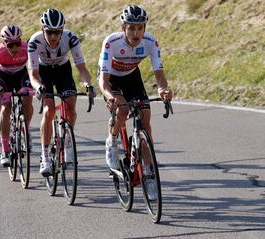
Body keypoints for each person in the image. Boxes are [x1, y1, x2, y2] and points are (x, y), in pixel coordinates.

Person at [98, 5, 173, 170]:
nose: (136, 33)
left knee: (145, 115)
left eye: (140, 28)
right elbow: (103, 82)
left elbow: (160, 76)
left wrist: (163, 90)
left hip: (132, 76)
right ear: (123, 28)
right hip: (112, 78)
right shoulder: (112, 42)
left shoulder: (151, 42)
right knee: (122, 111)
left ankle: (148, 169)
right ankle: (112, 141)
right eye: (131, 28)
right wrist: (111, 97)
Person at [28, 8, 95, 176]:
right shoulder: (34, 42)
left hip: (63, 71)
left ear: (62, 30)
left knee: (71, 111)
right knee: (49, 111)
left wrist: (88, 84)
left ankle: (67, 143)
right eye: (49, 32)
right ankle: (44, 156)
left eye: (57, 32)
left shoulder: (70, 38)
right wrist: (39, 88)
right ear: (43, 30)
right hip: (44, 73)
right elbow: (33, 75)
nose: (53, 37)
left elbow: (82, 69)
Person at [0, 25, 33, 166]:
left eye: (17, 43)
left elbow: (35, 69)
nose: (14, 48)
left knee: (27, 98)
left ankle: (25, 130)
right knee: (6, 107)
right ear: (3, 42)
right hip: (3, 76)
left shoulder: (26, 48)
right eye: (10, 45)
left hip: (21, 74)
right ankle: (5, 149)